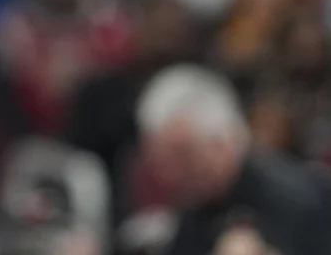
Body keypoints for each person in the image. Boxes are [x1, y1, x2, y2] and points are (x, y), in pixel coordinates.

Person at [136, 65, 331, 255]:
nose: (169, 173)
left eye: (183, 156)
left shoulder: (295, 200)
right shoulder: (195, 208)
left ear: (223, 143)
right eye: (161, 159)